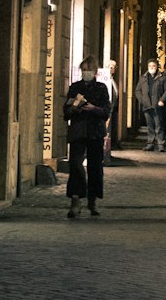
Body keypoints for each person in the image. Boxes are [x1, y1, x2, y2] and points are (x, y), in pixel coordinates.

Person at [63, 55, 112, 219]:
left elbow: (106, 111)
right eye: (84, 70)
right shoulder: (75, 87)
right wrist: (74, 109)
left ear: (95, 72)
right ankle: (75, 200)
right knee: (75, 164)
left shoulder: (101, 88)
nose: (87, 73)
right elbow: (66, 111)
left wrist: (94, 109)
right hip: (78, 131)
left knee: (95, 167)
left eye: (89, 70)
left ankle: (93, 200)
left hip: (95, 132)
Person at [135, 57, 166, 150]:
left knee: (159, 125)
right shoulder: (143, 78)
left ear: (157, 66)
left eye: (153, 66)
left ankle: (161, 144)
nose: (151, 68)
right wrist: (142, 100)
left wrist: (162, 100)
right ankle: (150, 143)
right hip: (147, 105)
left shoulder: (162, 78)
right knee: (150, 126)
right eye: (150, 66)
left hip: (157, 105)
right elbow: (137, 91)